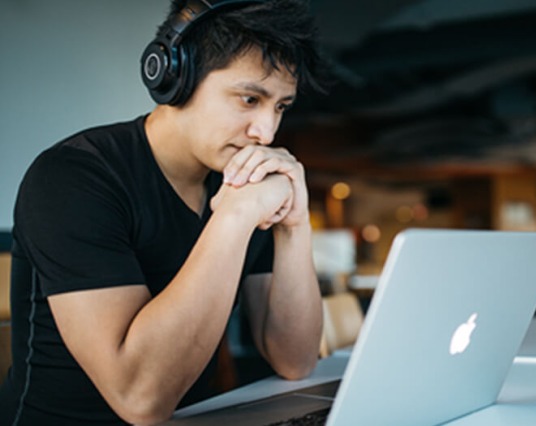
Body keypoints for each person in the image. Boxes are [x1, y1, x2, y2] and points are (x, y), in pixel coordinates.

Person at [0, 0, 329, 424]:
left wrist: (293, 224)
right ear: (177, 77)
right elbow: (140, 398)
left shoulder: (243, 180)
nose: (265, 132)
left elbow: (296, 360)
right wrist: (232, 218)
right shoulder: (73, 178)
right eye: (249, 99)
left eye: (281, 107)